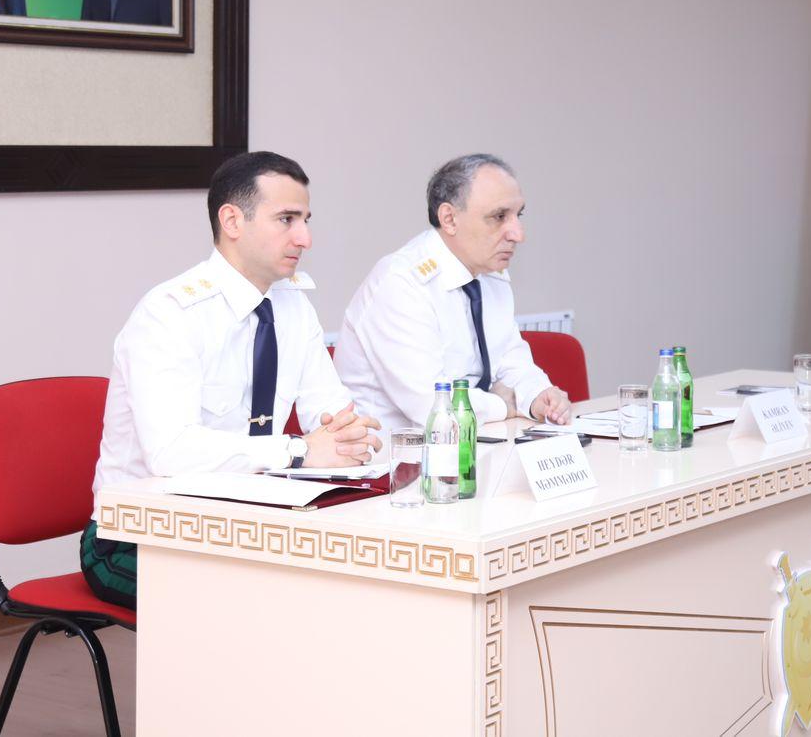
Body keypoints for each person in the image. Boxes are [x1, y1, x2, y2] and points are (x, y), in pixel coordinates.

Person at [83, 151, 382, 607]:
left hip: (249, 521)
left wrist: (352, 437)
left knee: (353, 581)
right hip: (139, 533)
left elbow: (332, 416)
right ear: (232, 221)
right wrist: (299, 449)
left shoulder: (293, 305)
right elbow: (171, 452)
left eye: (305, 220)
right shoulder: (170, 314)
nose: (305, 238)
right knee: (264, 600)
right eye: (286, 219)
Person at [333, 153, 574, 438]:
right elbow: (430, 405)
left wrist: (539, 396)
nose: (517, 234)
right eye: (499, 217)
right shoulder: (400, 283)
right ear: (449, 219)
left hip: (472, 442)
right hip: (393, 457)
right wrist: (502, 405)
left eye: (517, 215)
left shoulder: (490, 275)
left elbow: (512, 361)